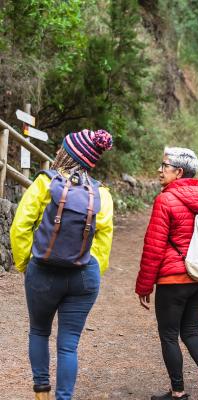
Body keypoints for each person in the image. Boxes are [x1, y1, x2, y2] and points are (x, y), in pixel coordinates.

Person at [10, 129, 114, 400]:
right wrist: (92, 270)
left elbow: (20, 226)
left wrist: (25, 263)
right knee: (68, 346)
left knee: (39, 331)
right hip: (83, 276)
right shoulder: (102, 193)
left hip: (43, 271)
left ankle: (41, 393)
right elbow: (103, 239)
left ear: (66, 154)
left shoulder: (45, 183)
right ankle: (63, 398)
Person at [135, 147, 198, 400]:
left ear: (179, 172)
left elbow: (154, 245)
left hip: (174, 279)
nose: (159, 170)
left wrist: (144, 285)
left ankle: (178, 392)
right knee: (191, 331)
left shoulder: (165, 200)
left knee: (169, 335)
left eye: (164, 166)